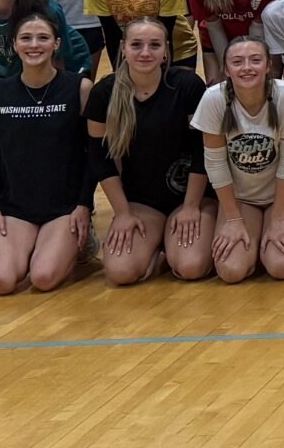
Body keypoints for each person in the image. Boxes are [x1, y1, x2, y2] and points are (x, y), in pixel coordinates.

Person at [0, 7, 96, 296]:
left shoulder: (79, 88)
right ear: (14, 44)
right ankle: (33, 244)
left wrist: (84, 205)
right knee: (3, 282)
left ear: (56, 44)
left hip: (64, 208)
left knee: (43, 277)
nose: (34, 45)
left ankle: (78, 240)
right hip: (16, 208)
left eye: (43, 38)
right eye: (26, 38)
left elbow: (93, 154)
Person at [86, 16, 211, 285]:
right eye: (136, 45)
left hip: (192, 197)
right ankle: (158, 246)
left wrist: (191, 206)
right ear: (123, 48)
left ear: (166, 50)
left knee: (190, 267)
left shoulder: (187, 85)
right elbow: (100, 159)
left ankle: (171, 245)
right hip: (142, 201)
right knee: (120, 273)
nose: (145, 52)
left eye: (154, 45)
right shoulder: (104, 93)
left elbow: (202, 151)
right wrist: (122, 213)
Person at [192, 33, 284, 282]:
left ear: (268, 66)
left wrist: (278, 219)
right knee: (231, 271)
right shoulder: (213, 99)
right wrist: (233, 219)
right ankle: (256, 243)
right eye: (237, 62)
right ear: (226, 70)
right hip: (241, 196)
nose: (247, 67)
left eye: (255, 60)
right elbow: (215, 165)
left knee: (279, 266)